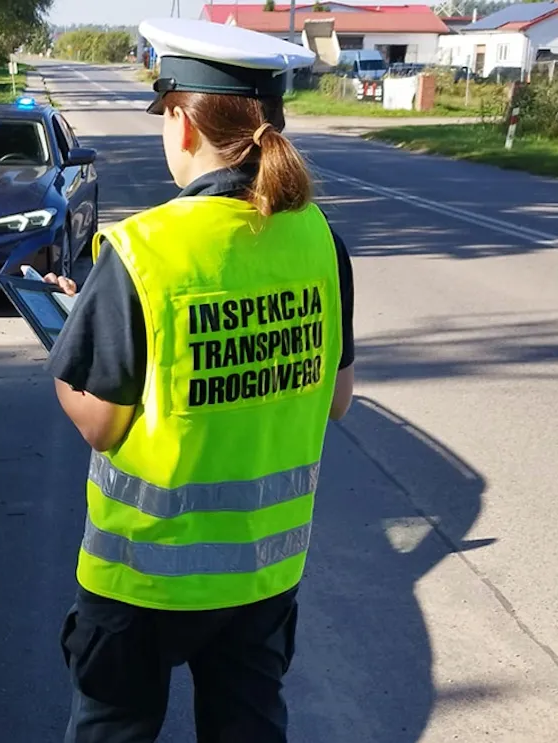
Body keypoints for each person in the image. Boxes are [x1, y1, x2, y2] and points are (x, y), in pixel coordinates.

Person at [41, 17, 356, 743]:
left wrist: (69, 337)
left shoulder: (144, 248)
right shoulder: (319, 239)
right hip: (262, 575)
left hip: (141, 579)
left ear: (182, 121)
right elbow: (338, 398)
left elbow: (102, 421)